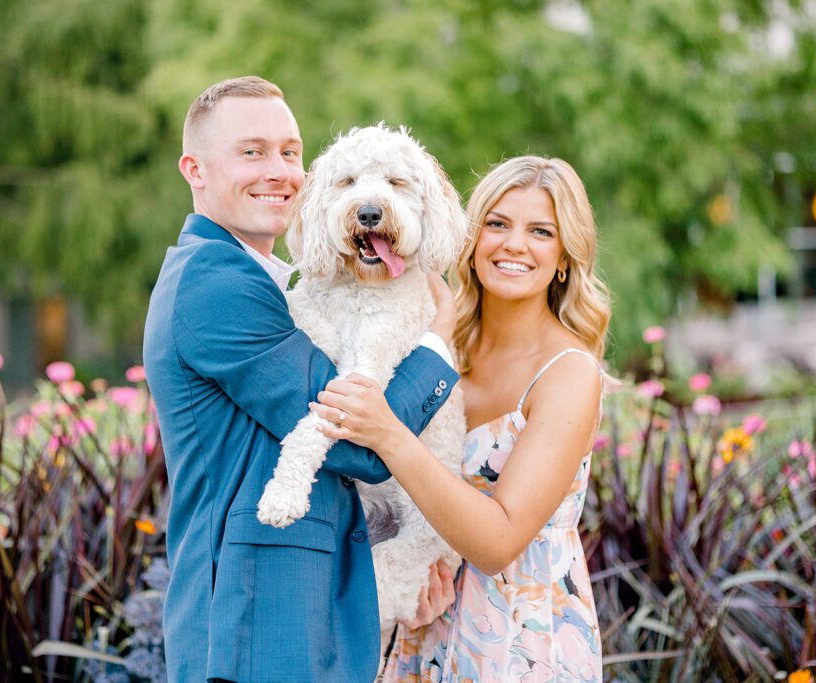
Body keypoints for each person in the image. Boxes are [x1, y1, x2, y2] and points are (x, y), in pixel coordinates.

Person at [142, 76, 460, 683]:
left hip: (293, 614)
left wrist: (400, 581)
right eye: (251, 152)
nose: (281, 171)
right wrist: (439, 339)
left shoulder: (270, 280)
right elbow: (358, 444)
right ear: (195, 169)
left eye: (290, 152)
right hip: (257, 623)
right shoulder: (217, 284)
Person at [313, 156, 612, 681]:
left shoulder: (568, 373)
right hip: (419, 632)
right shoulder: (435, 343)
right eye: (497, 224)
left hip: (518, 645)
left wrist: (389, 432)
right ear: (470, 239)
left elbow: (497, 544)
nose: (514, 244)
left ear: (564, 256)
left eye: (540, 231)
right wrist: (401, 586)